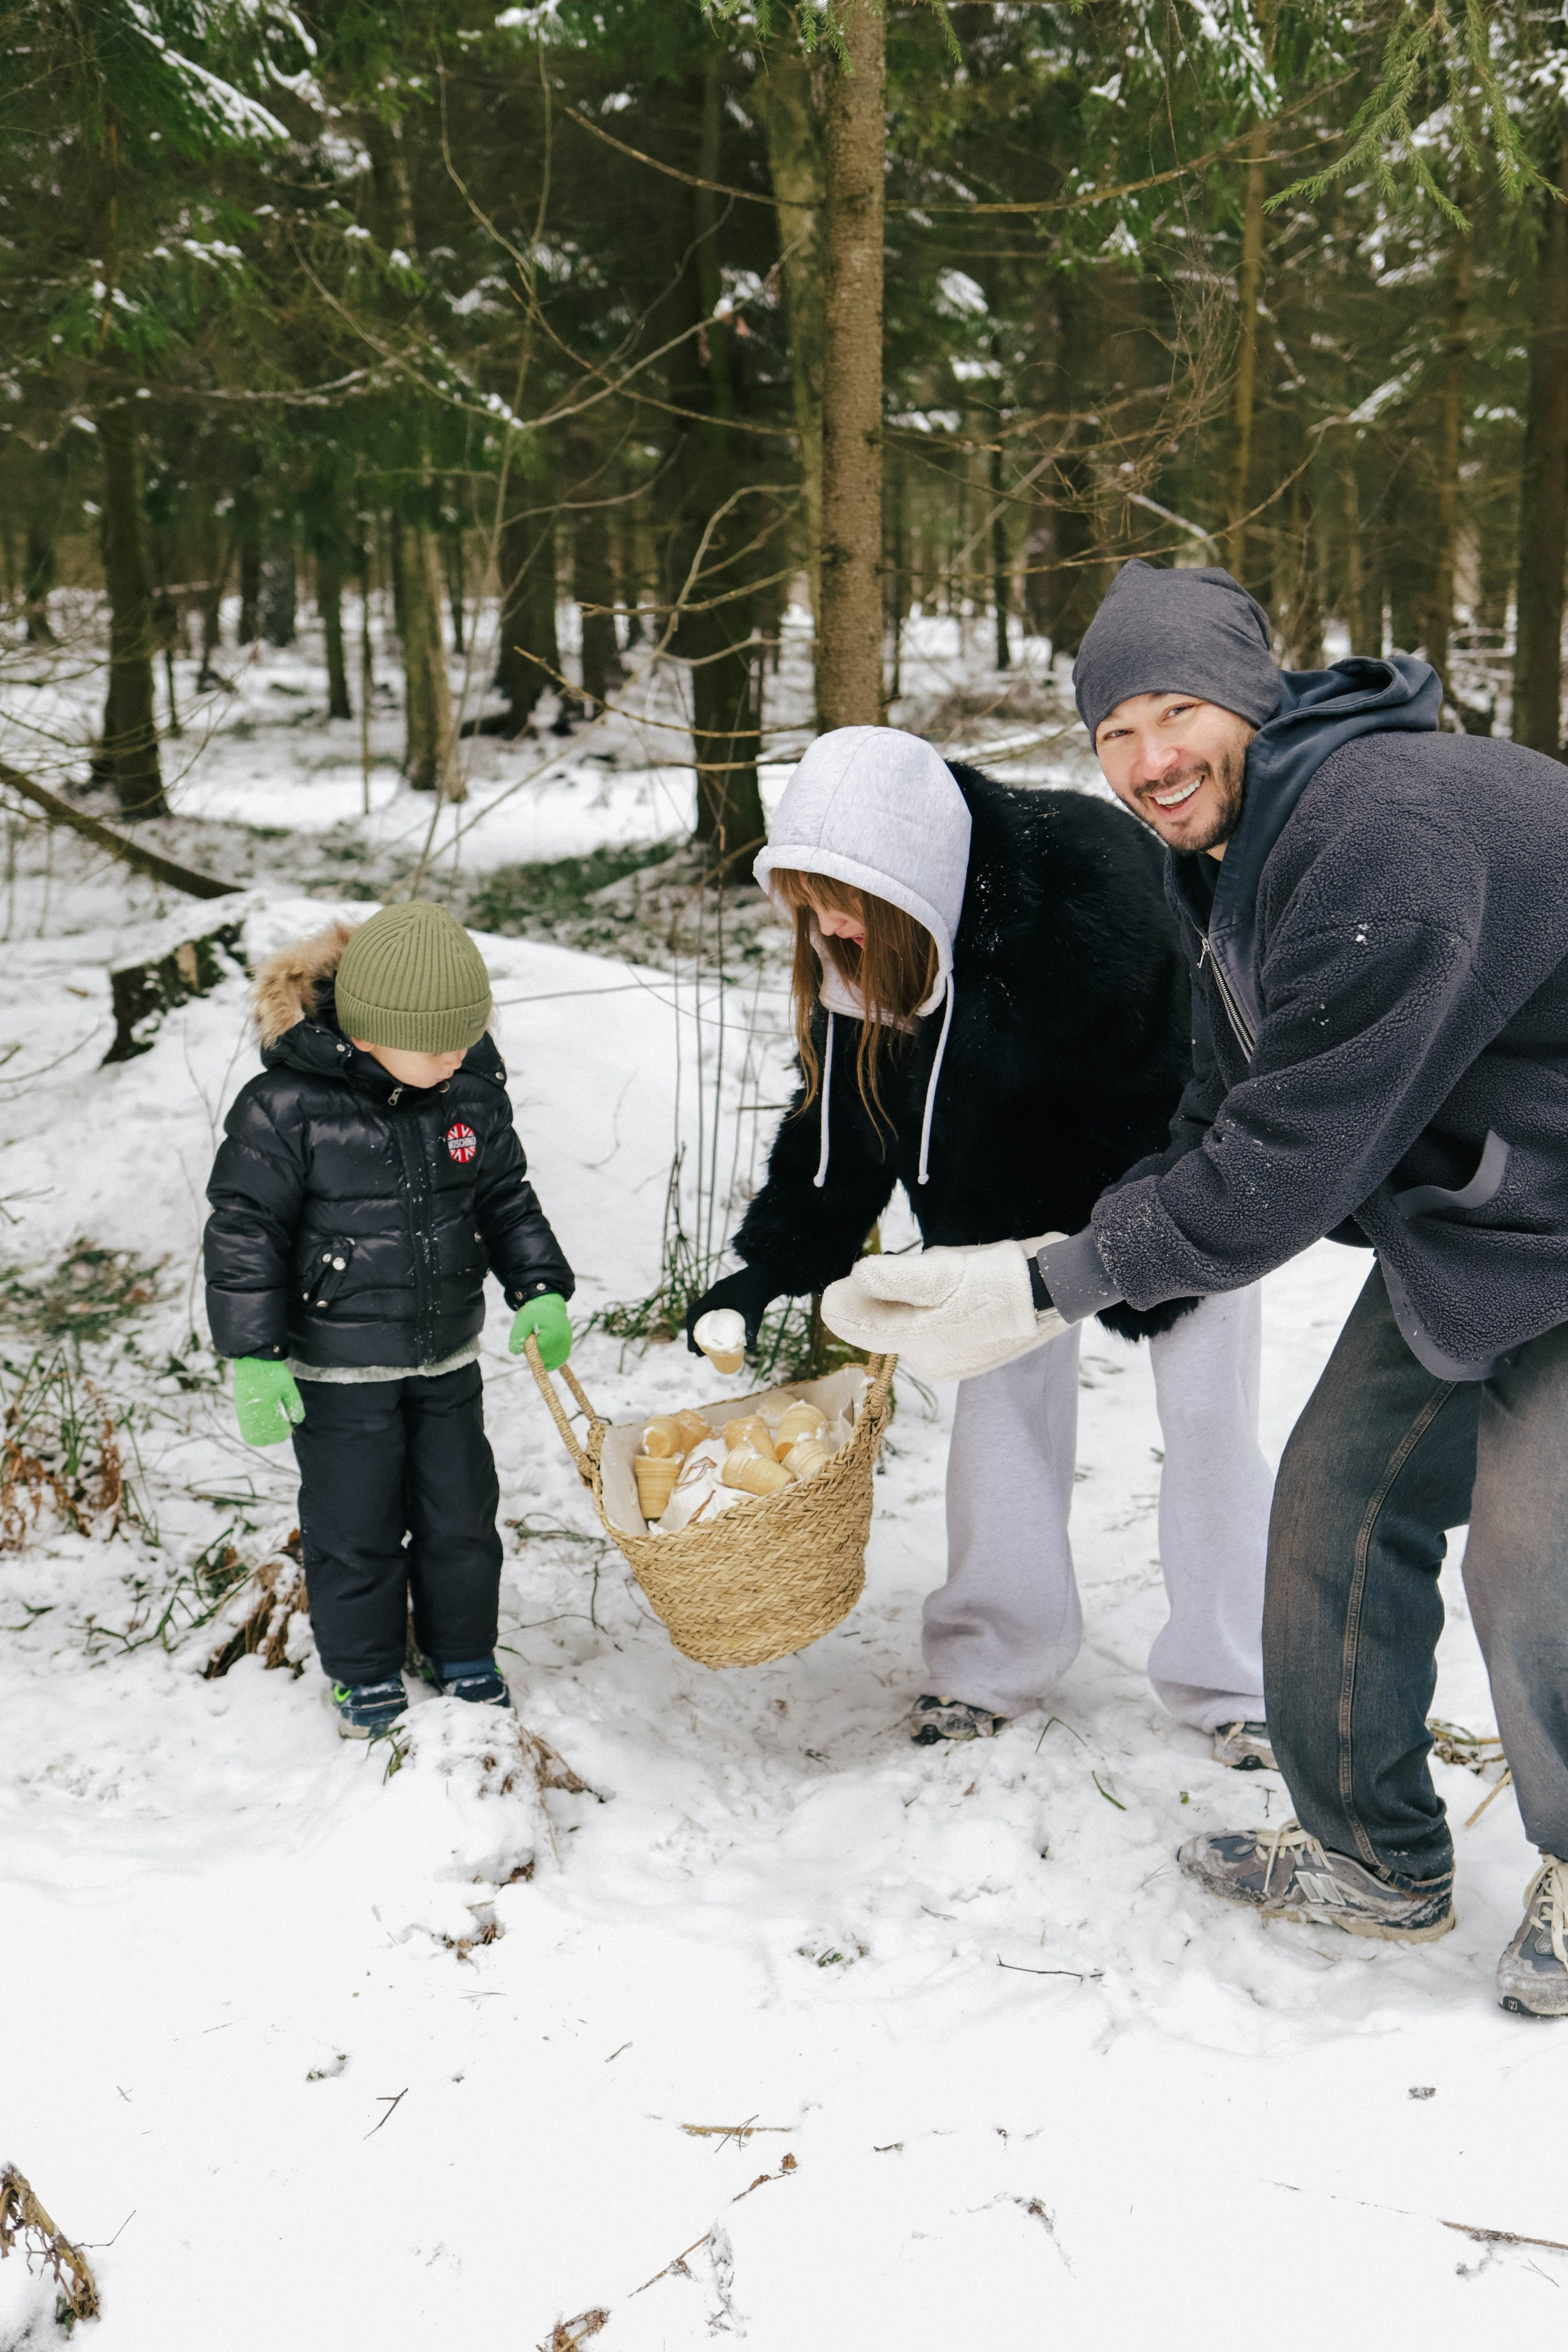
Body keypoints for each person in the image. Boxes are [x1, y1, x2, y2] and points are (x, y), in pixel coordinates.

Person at [827, 560, 1568, 2018]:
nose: (1148, 758)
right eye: (1114, 730)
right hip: (1489, 1211)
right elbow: (1221, 1095)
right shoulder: (1233, 848)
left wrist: (1058, 1284)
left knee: (1531, 1557)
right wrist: (1051, 1263)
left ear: (1253, 698)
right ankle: (1374, 1858)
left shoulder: (1378, 834)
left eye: (1178, 712)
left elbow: (1287, 1158)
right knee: (1335, 1509)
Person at [687, 723, 1275, 1762]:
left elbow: (1187, 1077)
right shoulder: (856, 940)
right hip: (1000, 1191)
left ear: (912, 874)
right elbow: (848, 1115)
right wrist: (782, 1255)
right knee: (1001, 1405)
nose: (826, 920)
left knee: (1209, 1411)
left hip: (1182, 1174)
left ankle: (1236, 1678)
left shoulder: (1092, 892)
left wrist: (1127, 1258)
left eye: (845, 897)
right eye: (808, 894)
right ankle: (993, 1654)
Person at [203, 902, 574, 1740]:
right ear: (367, 1031)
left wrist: (540, 1287)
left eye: (465, 1036)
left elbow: (506, 1198)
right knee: (355, 1529)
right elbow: (243, 1227)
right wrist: (253, 1352)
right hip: (337, 1372)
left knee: (460, 1520)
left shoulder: (468, 1092)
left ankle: (464, 1652)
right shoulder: (285, 1108)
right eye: (436, 1041)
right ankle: (365, 1673)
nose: (456, 1054)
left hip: (446, 1359)